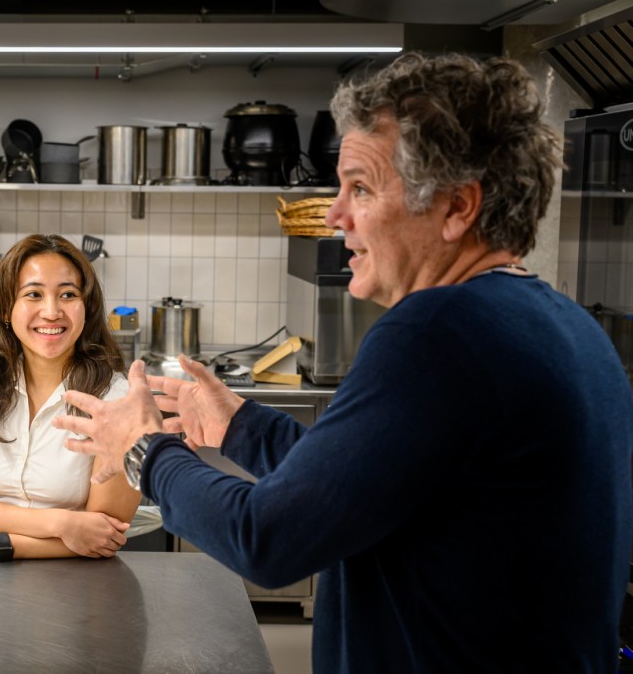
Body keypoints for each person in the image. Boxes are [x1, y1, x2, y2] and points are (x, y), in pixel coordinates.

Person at [53, 53, 633, 671]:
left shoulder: (438, 330)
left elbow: (268, 539)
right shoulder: (570, 328)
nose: (334, 217)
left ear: (459, 207)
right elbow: (360, 487)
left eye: (360, 187)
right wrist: (239, 427)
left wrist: (144, 451)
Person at [0, 234, 141, 561]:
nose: (51, 311)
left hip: (84, 586)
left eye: (68, 294)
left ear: (85, 309)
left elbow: (103, 535)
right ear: (7, 309)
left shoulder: (117, 401)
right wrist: (64, 522)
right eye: (33, 294)